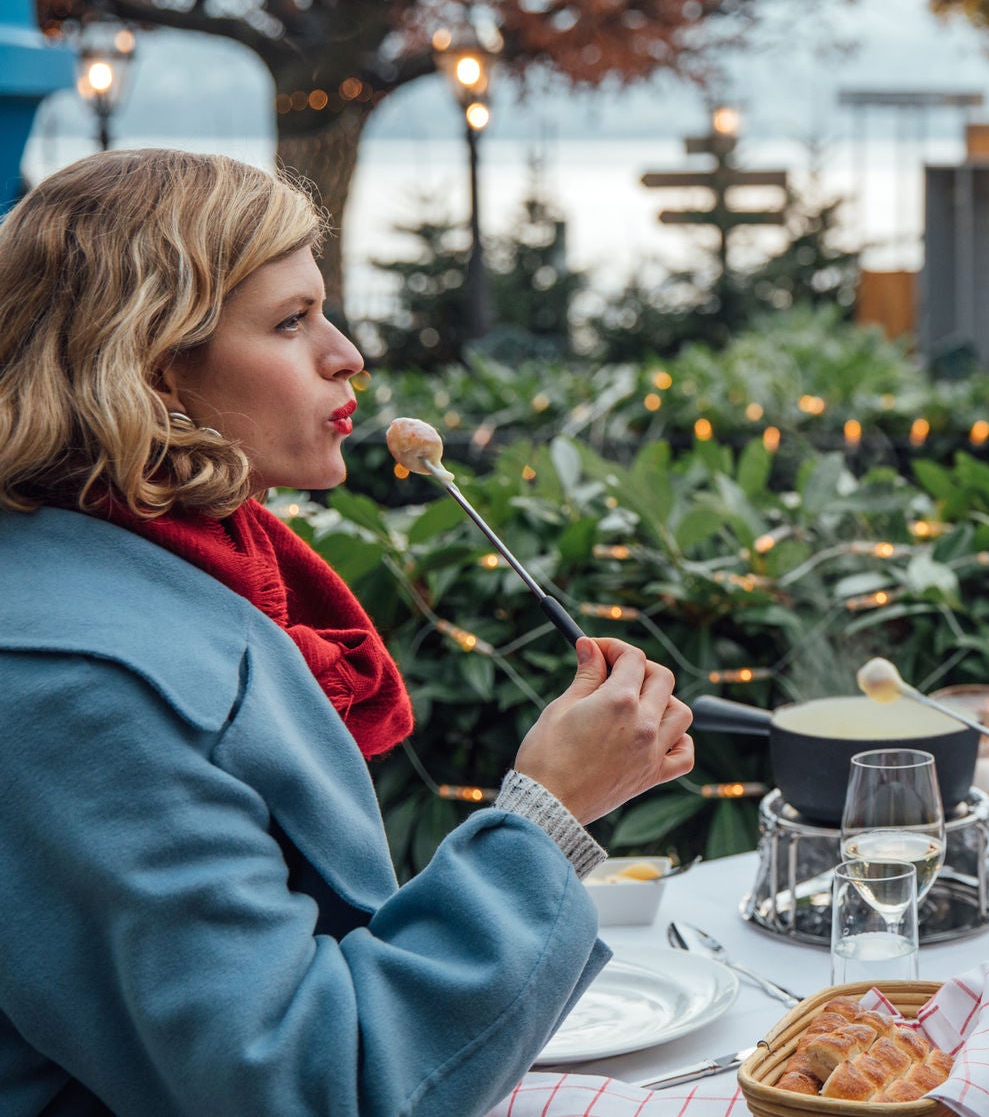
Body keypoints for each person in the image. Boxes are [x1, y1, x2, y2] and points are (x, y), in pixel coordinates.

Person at [0, 150, 695, 1117]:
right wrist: (549, 816)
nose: (347, 353)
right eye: (290, 322)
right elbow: (310, 1084)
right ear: (153, 369)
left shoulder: (195, 579)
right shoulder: (83, 688)